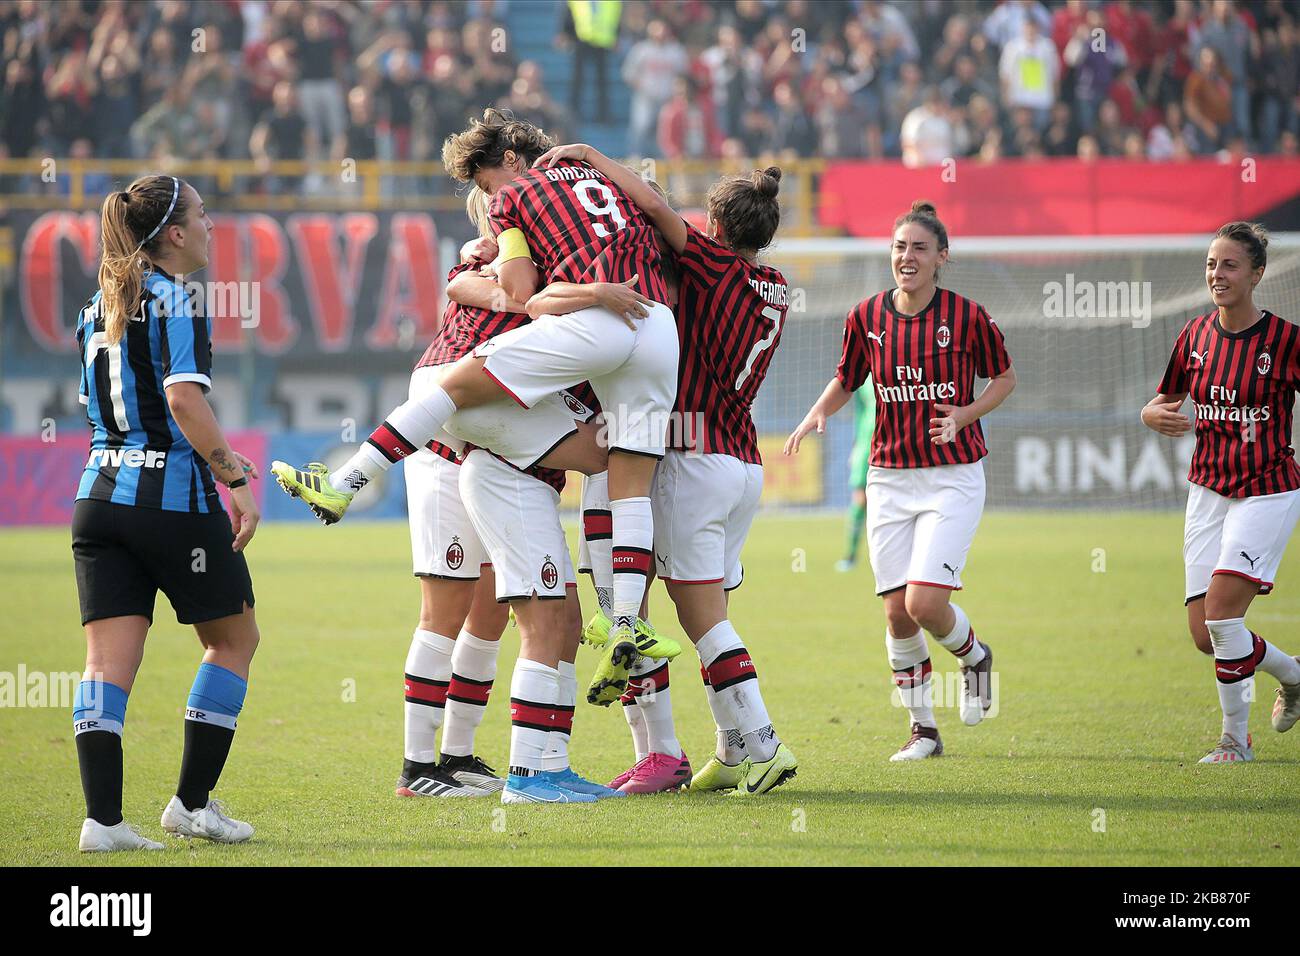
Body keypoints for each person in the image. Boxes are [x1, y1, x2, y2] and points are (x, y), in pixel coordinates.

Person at [271, 109, 683, 706]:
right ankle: (626, 622)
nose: (489, 199)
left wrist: (549, 283)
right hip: (654, 326)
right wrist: (593, 156)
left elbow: (516, 292)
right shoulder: (608, 183)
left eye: (486, 185)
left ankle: (349, 480)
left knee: (456, 389)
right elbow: (657, 205)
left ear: (510, 163)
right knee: (626, 477)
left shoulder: (512, 205)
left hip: (584, 336)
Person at [539, 142, 798, 796]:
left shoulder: (710, 265)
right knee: (709, 607)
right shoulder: (776, 287)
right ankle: (733, 752)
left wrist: (590, 157)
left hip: (694, 460)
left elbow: (653, 206)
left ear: (715, 226)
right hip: (744, 463)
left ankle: (766, 746)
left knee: (701, 619)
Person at [785, 201, 1016, 761]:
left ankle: (975, 656)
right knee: (895, 611)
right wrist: (818, 412)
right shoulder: (866, 316)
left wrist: (964, 415)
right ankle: (924, 732)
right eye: (899, 247)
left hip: (953, 477)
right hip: (888, 476)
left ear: (941, 258)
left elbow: (1004, 378)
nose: (906, 257)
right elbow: (847, 378)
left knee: (924, 604)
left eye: (918, 248)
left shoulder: (967, 317)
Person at [72, 175, 259, 850]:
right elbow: (182, 401)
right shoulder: (176, 298)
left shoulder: (97, 305)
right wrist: (233, 476)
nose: (213, 226)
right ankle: (191, 805)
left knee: (105, 666)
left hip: (97, 500)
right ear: (174, 234)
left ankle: (103, 821)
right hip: (170, 504)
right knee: (233, 641)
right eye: (204, 216)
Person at [1140, 222, 1300, 763]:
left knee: (1224, 616)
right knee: (1206, 635)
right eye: (1212, 264)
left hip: (1267, 490)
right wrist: (1150, 413)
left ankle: (1234, 739)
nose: (1217, 274)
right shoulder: (1195, 337)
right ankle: (1295, 674)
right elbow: (1163, 399)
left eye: (1230, 265)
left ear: (1256, 274)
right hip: (1207, 491)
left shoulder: (1285, 341)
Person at [837, 386, 877, 572]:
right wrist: (856, 446)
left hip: (892, 440)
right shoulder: (864, 377)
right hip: (866, 442)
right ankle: (850, 555)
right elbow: (860, 414)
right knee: (860, 499)